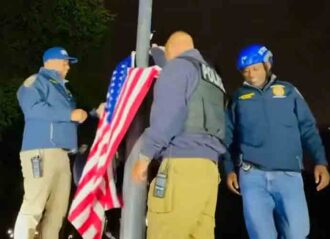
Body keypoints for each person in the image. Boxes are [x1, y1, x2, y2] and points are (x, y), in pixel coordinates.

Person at [225, 44, 330, 239]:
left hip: (288, 175)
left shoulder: (289, 92)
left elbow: (308, 128)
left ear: (267, 65)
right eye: (246, 71)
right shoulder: (238, 98)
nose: (251, 74)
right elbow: (228, 136)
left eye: (255, 68)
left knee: (297, 233)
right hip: (252, 177)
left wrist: (320, 162)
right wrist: (229, 169)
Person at [132, 31, 226, 239]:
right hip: (209, 171)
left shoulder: (177, 67)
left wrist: (145, 157)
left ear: (172, 49)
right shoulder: (212, 76)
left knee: (165, 231)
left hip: (182, 167)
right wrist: (158, 55)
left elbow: (168, 116)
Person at [14, 46, 88, 239]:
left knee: (57, 212)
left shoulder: (63, 90)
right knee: (34, 206)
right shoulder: (35, 82)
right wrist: (69, 114)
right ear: (51, 62)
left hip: (62, 155)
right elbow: (32, 109)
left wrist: (95, 113)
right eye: (65, 62)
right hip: (41, 152)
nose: (68, 67)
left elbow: (68, 120)